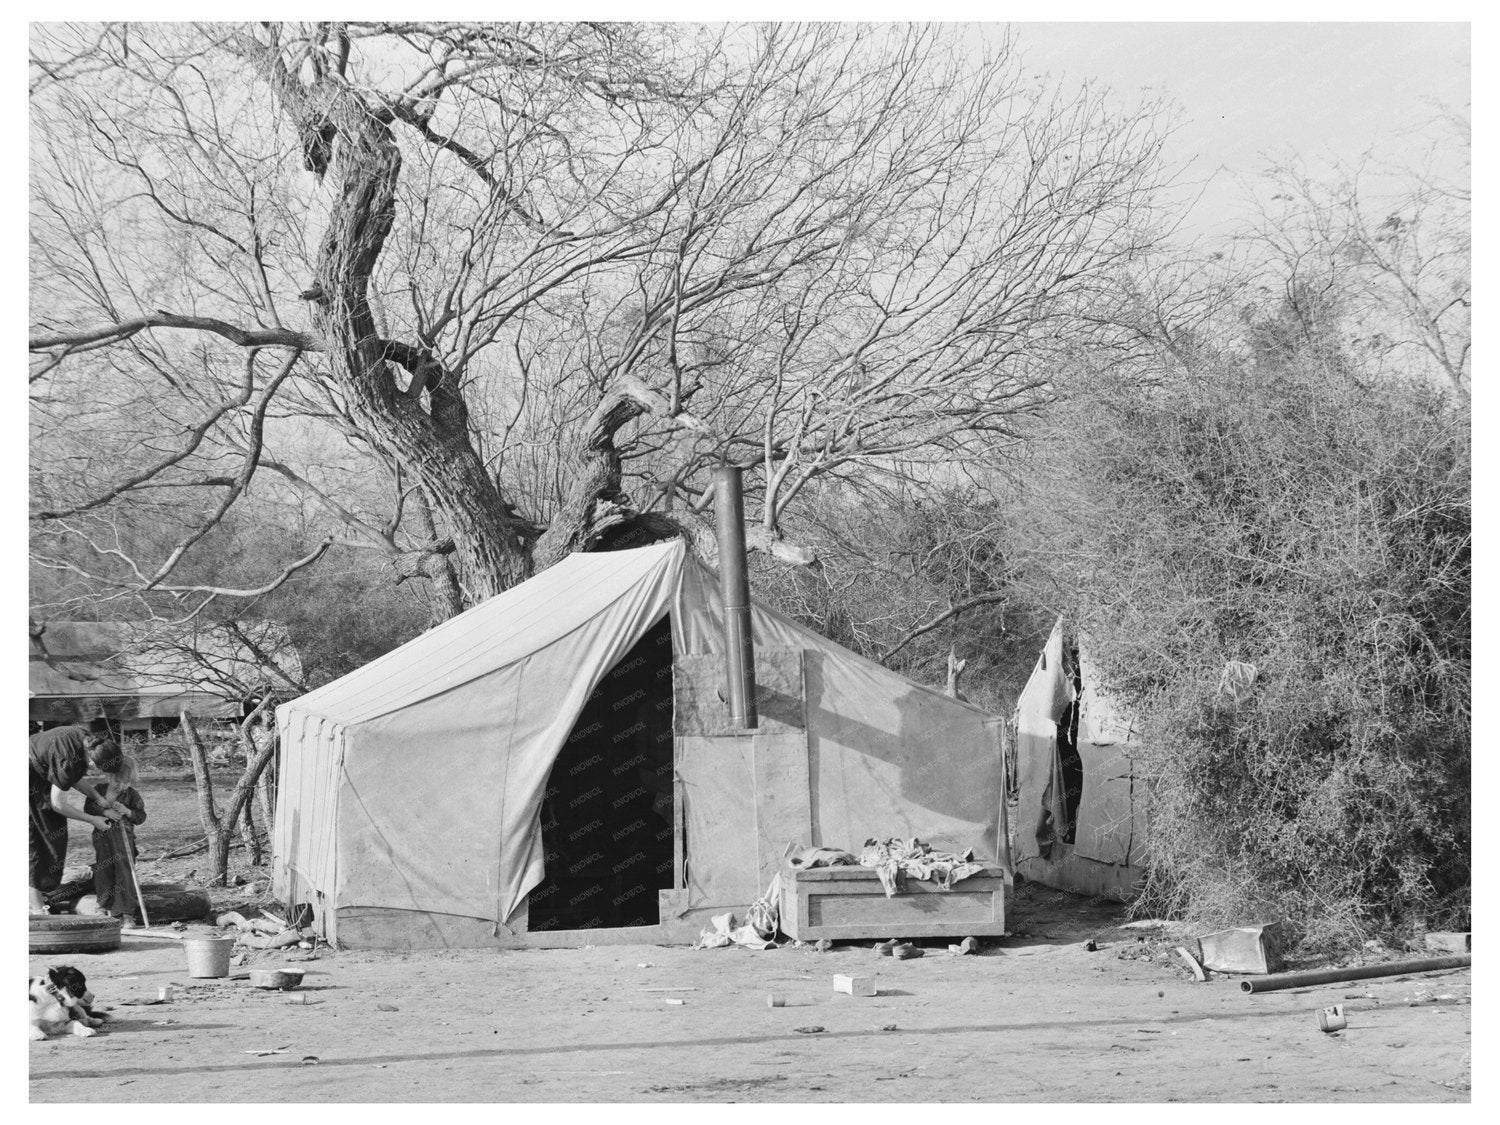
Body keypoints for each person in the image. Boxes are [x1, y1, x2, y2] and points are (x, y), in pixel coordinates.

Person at [28, 723, 131, 913]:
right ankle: (36, 908)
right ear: (92, 763)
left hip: (41, 773)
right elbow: (58, 804)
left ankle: (40, 893)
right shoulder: (69, 758)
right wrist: (92, 819)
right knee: (36, 841)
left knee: (54, 834)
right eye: (100, 771)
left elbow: (73, 777)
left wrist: (98, 798)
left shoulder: (87, 739)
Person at [83, 749, 148, 926]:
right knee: (103, 871)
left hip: (124, 841)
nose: (120, 785)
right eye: (117, 781)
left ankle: (126, 912)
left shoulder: (132, 795)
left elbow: (141, 816)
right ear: (109, 776)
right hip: (103, 840)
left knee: (125, 874)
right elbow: (88, 808)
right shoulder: (99, 790)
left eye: (125, 783)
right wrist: (105, 811)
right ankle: (103, 906)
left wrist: (127, 811)